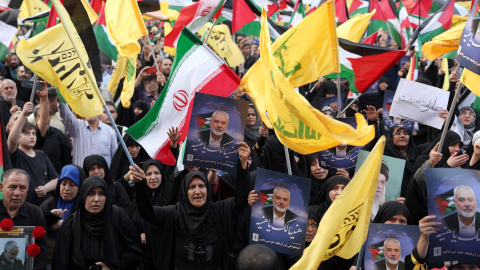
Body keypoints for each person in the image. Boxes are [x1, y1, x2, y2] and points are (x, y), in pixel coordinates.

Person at [129, 142, 250, 269]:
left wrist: (242, 166)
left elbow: (241, 201)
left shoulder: (219, 211)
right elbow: (147, 214)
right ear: (185, 192)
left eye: (202, 186)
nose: (197, 191)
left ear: (207, 190)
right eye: (192, 187)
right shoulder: (174, 214)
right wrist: (140, 185)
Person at [52, 176, 143, 269]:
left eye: (101, 194)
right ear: (83, 196)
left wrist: (115, 267)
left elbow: (136, 251)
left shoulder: (118, 216)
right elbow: (60, 262)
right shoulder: (71, 223)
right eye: (91, 193)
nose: (96, 199)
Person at [7, 100, 58, 206]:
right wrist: (23, 114)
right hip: (23, 206)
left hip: (45, 206)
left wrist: (45, 188)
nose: (31, 136)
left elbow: (56, 179)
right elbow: (12, 141)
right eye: (26, 133)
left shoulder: (41, 155)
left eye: (34, 133)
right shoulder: (15, 154)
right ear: (18, 137)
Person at [0, 169, 47, 269]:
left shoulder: (36, 213)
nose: (17, 193)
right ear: (1, 187)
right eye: (12, 187)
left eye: (22, 188)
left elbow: (41, 253)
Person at [59, 101, 118, 167]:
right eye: (88, 108)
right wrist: (61, 100)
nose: (91, 111)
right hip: (82, 175)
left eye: (93, 108)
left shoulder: (110, 131)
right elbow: (65, 115)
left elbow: (115, 158)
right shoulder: (77, 127)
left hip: (102, 176)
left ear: (100, 111)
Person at [40, 165, 86, 232]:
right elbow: (34, 220)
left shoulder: (85, 207)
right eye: (63, 184)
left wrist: (66, 224)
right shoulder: (50, 203)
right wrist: (50, 216)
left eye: (72, 185)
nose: (66, 188)